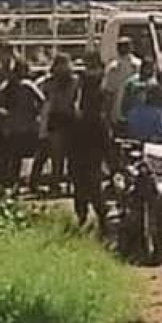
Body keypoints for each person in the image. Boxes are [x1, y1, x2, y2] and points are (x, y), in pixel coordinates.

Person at [0, 54, 44, 188]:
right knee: (40, 152)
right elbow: (42, 101)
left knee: (15, 157)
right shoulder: (28, 86)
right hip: (29, 126)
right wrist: (36, 113)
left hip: (12, 127)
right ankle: (32, 181)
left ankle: (13, 183)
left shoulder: (5, 86)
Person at [69, 51, 109, 229]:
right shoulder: (97, 118)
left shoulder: (79, 117)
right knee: (93, 190)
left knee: (83, 190)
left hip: (83, 159)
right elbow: (106, 142)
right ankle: (97, 218)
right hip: (90, 159)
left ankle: (86, 218)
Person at [31, 54, 78, 195]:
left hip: (69, 120)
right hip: (53, 119)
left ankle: (58, 183)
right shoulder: (48, 82)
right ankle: (43, 183)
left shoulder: (74, 82)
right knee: (48, 153)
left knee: (63, 155)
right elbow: (36, 93)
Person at [103, 37, 140, 135]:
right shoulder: (114, 67)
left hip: (126, 110)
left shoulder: (136, 65)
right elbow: (108, 92)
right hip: (124, 110)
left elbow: (108, 92)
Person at [121, 57, 158, 123]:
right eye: (148, 68)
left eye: (152, 68)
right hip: (132, 114)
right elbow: (126, 97)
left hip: (147, 117)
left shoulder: (153, 82)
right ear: (143, 67)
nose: (150, 70)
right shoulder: (132, 80)